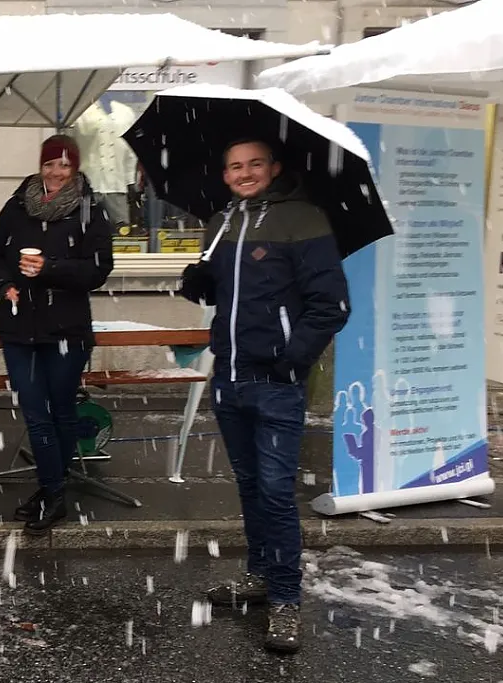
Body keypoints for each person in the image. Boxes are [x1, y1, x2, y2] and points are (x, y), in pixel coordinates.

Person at [180, 138, 350, 655]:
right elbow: (228, 295)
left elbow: (331, 304)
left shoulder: (303, 219)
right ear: (226, 174)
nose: (245, 172)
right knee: (251, 485)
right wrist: (200, 282)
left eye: (255, 163)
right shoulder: (222, 221)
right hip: (228, 377)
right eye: (235, 166)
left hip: (276, 382)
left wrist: (289, 360)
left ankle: (284, 599)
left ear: (274, 168)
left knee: (276, 492)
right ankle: (259, 577)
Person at [0, 135, 113, 535]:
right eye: (49, 165)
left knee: (60, 412)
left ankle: (51, 493)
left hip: (67, 328)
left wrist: (51, 268)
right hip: (19, 325)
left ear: (74, 168)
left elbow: (98, 270)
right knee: (36, 414)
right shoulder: (18, 204)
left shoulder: (90, 210)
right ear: (40, 166)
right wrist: (4, 283)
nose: (56, 173)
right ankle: (52, 491)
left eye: (64, 166)